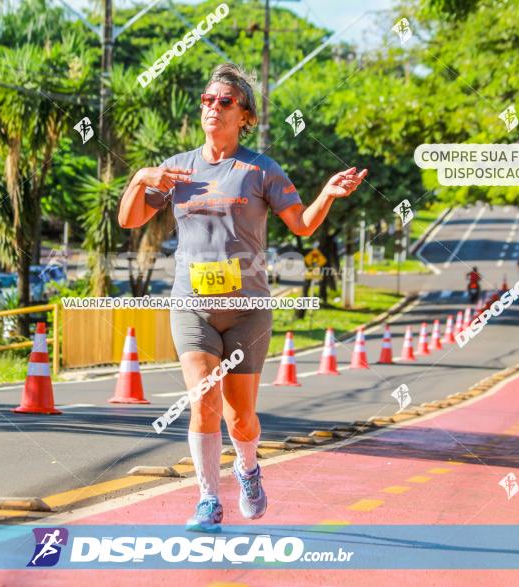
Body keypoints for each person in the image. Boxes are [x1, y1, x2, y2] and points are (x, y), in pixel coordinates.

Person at [118, 63, 366, 532]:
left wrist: (328, 194)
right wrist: (139, 177)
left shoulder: (261, 169)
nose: (213, 107)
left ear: (244, 115)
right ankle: (209, 499)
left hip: (249, 310)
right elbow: (129, 221)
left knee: (242, 418)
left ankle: (248, 469)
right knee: (203, 399)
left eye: (225, 101)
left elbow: (302, 225)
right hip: (192, 305)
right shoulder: (177, 170)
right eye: (208, 100)